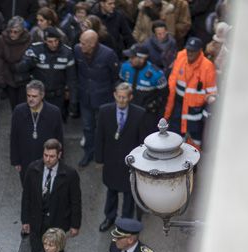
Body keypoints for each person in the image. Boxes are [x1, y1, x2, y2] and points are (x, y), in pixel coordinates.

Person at [95, 82, 151, 229]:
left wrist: (141, 164)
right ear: (114, 95)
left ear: (130, 97)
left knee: (129, 194)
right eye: (119, 97)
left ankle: (125, 222)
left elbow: (142, 142)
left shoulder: (139, 114)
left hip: (130, 163)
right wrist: (99, 159)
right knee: (111, 191)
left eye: (124, 97)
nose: (121, 100)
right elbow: (99, 136)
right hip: (111, 161)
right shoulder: (104, 111)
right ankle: (109, 217)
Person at [20, 137, 81, 248]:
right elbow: (26, 196)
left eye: (52, 156)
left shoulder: (70, 175)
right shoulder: (33, 169)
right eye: (45, 155)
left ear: (59, 155)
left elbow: (75, 201)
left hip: (57, 224)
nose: (48, 159)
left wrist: (75, 225)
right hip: (36, 223)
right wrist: (25, 220)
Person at [74, 29, 119, 167]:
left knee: (103, 128)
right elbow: (76, 71)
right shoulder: (77, 50)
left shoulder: (108, 54)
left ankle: (103, 154)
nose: (80, 45)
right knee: (87, 127)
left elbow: (115, 77)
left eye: (83, 43)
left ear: (92, 44)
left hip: (104, 99)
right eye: (80, 42)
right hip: (85, 97)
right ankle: (89, 152)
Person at [163, 37, 217, 149]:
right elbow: (173, 84)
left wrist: (210, 100)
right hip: (178, 110)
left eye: (193, 51)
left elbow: (212, 93)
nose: (190, 53)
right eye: (188, 50)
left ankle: (193, 165)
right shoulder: (181, 59)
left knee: (194, 145)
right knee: (174, 142)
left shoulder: (207, 66)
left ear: (200, 51)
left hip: (195, 115)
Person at [15, 27, 77, 121]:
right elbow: (19, 68)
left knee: (54, 124)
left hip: (57, 97)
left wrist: (73, 100)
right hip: (38, 96)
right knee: (36, 123)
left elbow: (72, 79)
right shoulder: (36, 49)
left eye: (56, 41)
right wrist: (30, 62)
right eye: (50, 41)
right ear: (44, 41)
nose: (54, 44)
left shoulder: (67, 52)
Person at [9, 80, 64, 181]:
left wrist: (59, 160)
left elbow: (59, 137)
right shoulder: (18, 111)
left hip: (47, 159)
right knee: (27, 189)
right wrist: (16, 160)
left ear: (42, 96)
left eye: (34, 96)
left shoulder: (54, 112)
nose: (30, 99)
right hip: (25, 159)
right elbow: (14, 137)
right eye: (28, 96)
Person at [119, 43, 167, 126]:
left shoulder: (156, 74)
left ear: (142, 59)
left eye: (132, 57)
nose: (129, 59)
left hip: (147, 114)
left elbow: (164, 96)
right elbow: (119, 83)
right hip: (127, 110)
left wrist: (153, 106)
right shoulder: (125, 67)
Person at [0, 17, 33, 109]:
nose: (12, 34)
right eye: (10, 31)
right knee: (14, 105)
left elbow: (31, 58)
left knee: (24, 105)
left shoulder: (29, 39)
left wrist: (21, 66)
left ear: (22, 31)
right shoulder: (2, 39)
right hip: (8, 75)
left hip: (24, 76)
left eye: (16, 32)